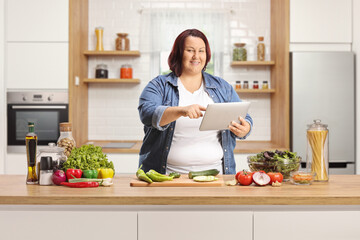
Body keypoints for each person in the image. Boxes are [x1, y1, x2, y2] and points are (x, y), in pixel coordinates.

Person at [138, 29, 253, 174]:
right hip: (166, 176)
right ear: (179, 53)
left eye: (201, 51)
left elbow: (244, 116)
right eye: (190, 50)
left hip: (217, 176)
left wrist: (245, 128)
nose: (196, 56)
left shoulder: (222, 86)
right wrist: (181, 111)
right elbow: (147, 114)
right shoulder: (159, 85)